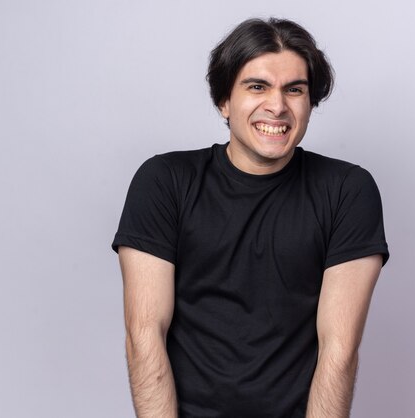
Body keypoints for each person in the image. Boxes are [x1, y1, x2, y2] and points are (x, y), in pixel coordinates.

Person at [112, 17, 389, 418]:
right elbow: (144, 335)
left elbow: (339, 350)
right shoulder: (164, 182)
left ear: (310, 103)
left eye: (294, 90)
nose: (277, 106)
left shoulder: (347, 190)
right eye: (257, 86)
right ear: (224, 100)